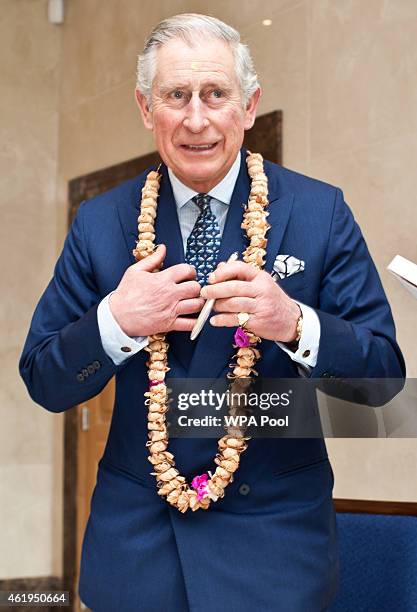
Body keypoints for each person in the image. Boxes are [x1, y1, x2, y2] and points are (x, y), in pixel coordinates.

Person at [19, 13, 405, 612]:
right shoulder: (100, 223)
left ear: (248, 106)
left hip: (275, 553)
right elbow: (43, 376)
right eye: (177, 95)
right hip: (137, 552)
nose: (196, 119)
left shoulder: (321, 211)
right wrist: (116, 321)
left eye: (215, 94)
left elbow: (383, 378)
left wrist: (293, 324)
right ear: (148, 110)